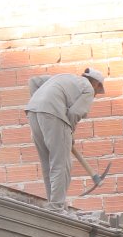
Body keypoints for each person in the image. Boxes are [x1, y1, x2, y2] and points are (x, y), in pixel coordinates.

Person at [26, 67, 105, 211]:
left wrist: (40, 104)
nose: (95, 95)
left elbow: (33, 82)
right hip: (53, 114)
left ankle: (53, 202)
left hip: (33, 111)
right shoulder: (88, 89)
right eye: (98, 91)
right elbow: (75, 112)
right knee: (61, 163)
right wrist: (69, 132)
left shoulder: (63, 76)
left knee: (47, 162)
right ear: (97, 84)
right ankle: (57, 206)